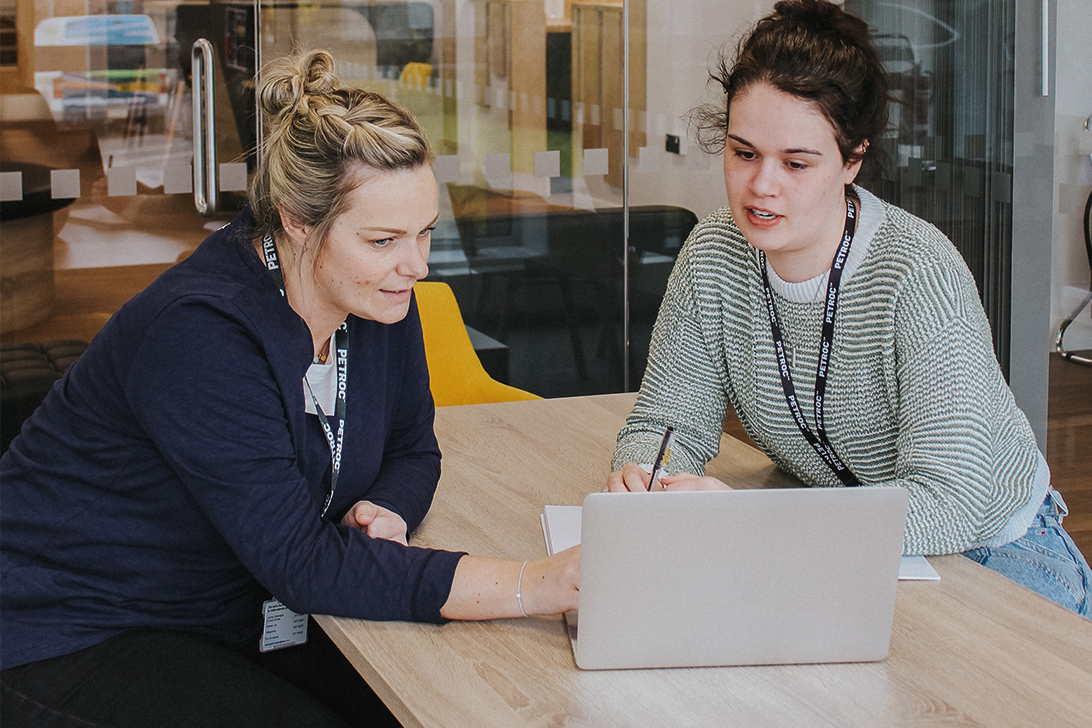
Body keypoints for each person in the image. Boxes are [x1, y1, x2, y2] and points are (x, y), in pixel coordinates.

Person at [0, 50, 579, 728]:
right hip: (71, 623)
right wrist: (529, 584)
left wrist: (387, 510)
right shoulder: (199, 334)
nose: (414, 266)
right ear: (296, 222)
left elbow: (413, 448)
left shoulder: (375, 296)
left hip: (234, 603)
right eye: (384, 238)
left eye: (424, 233)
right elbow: (303, 562)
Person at [606, 0, 1090, 617]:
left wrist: (755, 520)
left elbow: (953, 500)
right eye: (743, 152)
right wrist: (643, 472)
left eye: (797, 163)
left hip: (989, 553)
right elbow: (668, 422)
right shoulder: (713, 255)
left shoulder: (919, 273)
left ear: (852, 159)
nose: (761, 186)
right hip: (833, 544)